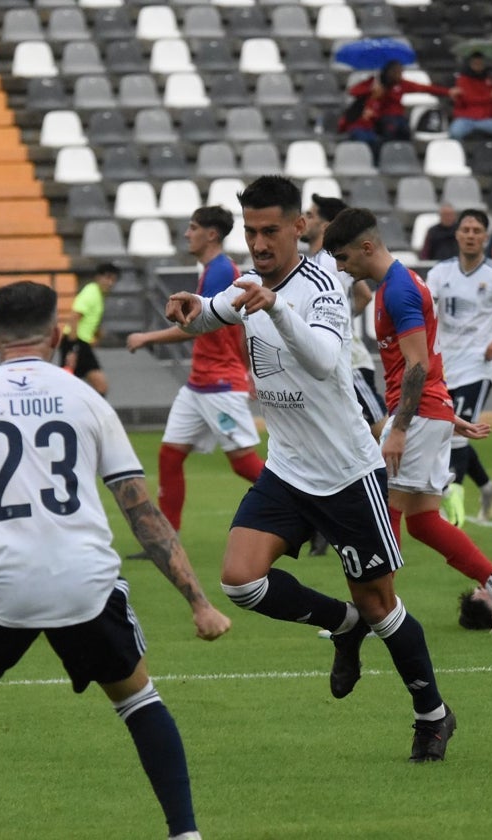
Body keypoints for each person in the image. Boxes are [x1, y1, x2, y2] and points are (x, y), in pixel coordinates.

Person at [0, 281, 231, 840]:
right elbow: (142, 512)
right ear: (59, 335)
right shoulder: (87, 399)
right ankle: (185, 834)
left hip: (2, 587)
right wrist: (200, 603)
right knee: (138, 698)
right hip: (83, 583)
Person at [164, 175, 456, 762]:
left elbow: (326, 361)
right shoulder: (248, 283)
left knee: (383, 605)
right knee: (240, 581)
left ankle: (433, 714)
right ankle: (344, 626)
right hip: (289, 469)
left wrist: (275, 309)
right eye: (251, 231)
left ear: (300, 226)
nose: (260, 242)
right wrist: (189, 310)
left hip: (348, 472)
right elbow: (208, 317)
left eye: (271, 230)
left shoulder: (321, 284)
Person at [322, 206, 492, 633]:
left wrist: (399, 428)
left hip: (413, 417)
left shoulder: (397, 291)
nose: (341, 267)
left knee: (384, 511)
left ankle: (375, 614)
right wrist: (445, 416)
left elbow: (416, 366)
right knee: (423, 521)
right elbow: (428, 362)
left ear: (365, 247)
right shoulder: (397, 285)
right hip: (427, 413)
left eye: (342, 258)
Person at [125, 206, 265, 558]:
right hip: (200, 382)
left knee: (243, 462)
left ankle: (312, 511)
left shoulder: (220, 272)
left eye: (192, 228)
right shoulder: (213, 270)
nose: (187, 234)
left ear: (211, 234)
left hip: (219, 382)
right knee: (170, 455)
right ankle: (166, 542)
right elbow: (237, 327)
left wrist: (148, 337)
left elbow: (197, 326)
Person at [425, 209, 492, 527]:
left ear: (486, 237)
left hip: (477, 367)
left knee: (456, 432)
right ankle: (487, 488)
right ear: (457, 235)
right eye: (465, 229)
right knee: (451, 432)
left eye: (477, 230)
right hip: (444, 366)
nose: (470, 235)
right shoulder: (439, 273)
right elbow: (425, 312)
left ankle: (451, 497)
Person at [301, 192, 388, 439]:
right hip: (336, 363)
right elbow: (363, 295)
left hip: (351, 365)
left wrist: (333, 328)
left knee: (378, 431)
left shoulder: (328, 262)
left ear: (326, 226)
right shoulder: (325, 262)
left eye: (310, 215)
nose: (303, 219)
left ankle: (412, 477)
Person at [338, 60, 455, 160]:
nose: (399, 74)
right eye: (396, 72)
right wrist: (371, 90)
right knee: (386, 132)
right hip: (381, 120)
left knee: (404, 131)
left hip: (396, 117)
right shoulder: (373, 85)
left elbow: (423, 88)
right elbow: (353, 92)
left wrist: (447, 92)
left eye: (400, 71)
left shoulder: (402, 84)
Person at [65, 262, 120, 396]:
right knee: (101, 386)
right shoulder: (91, 292)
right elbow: (74, 317)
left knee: (70, 387)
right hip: (77, 343)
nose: (110, 283)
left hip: (82, 343)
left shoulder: (99, 295)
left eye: (113, 279)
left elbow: (90, 319)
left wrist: (97, 334)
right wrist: (72, 348)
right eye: (107, 278)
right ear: (98, 277)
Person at [448, 52, 492, 144]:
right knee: (455, 132)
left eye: (480, 63)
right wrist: (491, 96)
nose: (478, 66)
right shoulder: (462, 80)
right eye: (475, 63)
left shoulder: (490, 79)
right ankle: (463, 154)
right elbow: (469, 99)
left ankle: (491, 149)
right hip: (466, 118)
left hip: (485, 119)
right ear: (470, 64)